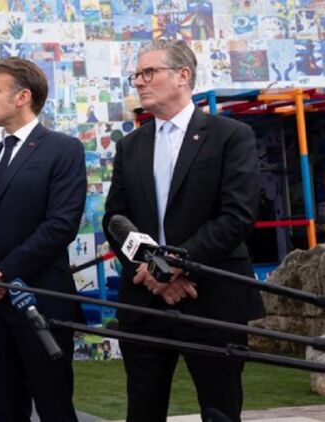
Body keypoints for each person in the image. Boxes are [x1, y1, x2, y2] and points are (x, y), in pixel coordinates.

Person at [102, 39, 264, 422]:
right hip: (144, 300)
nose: (139, 82)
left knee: (220, 410)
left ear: (182, 75)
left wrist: (173, 265)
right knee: (142, 410)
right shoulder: (130, 146)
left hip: (211, 297)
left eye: (149, 72)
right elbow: (115, 219)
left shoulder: (230, 135)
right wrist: (153, 272)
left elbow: (237, 216)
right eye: (136, 75)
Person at [0, 57, 87, 422]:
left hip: (41, 304)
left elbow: (60, 226)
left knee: (55, 409)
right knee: (5, 411)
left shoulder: (63, 150)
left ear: (22, 97)